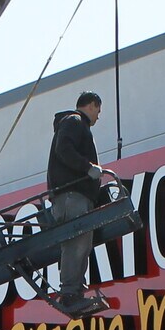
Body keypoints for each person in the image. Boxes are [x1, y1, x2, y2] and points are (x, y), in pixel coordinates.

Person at [46, 90, 114, 318]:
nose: (98, 117)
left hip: (73, 196)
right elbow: (64, 150)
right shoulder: (74, 121)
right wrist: (88, 167)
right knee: (76, 244)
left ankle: (73, 290)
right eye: (99, 111)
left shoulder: (74, 124)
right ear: (93, 105)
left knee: (79, 245)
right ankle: (70, 293)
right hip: (71, 195)